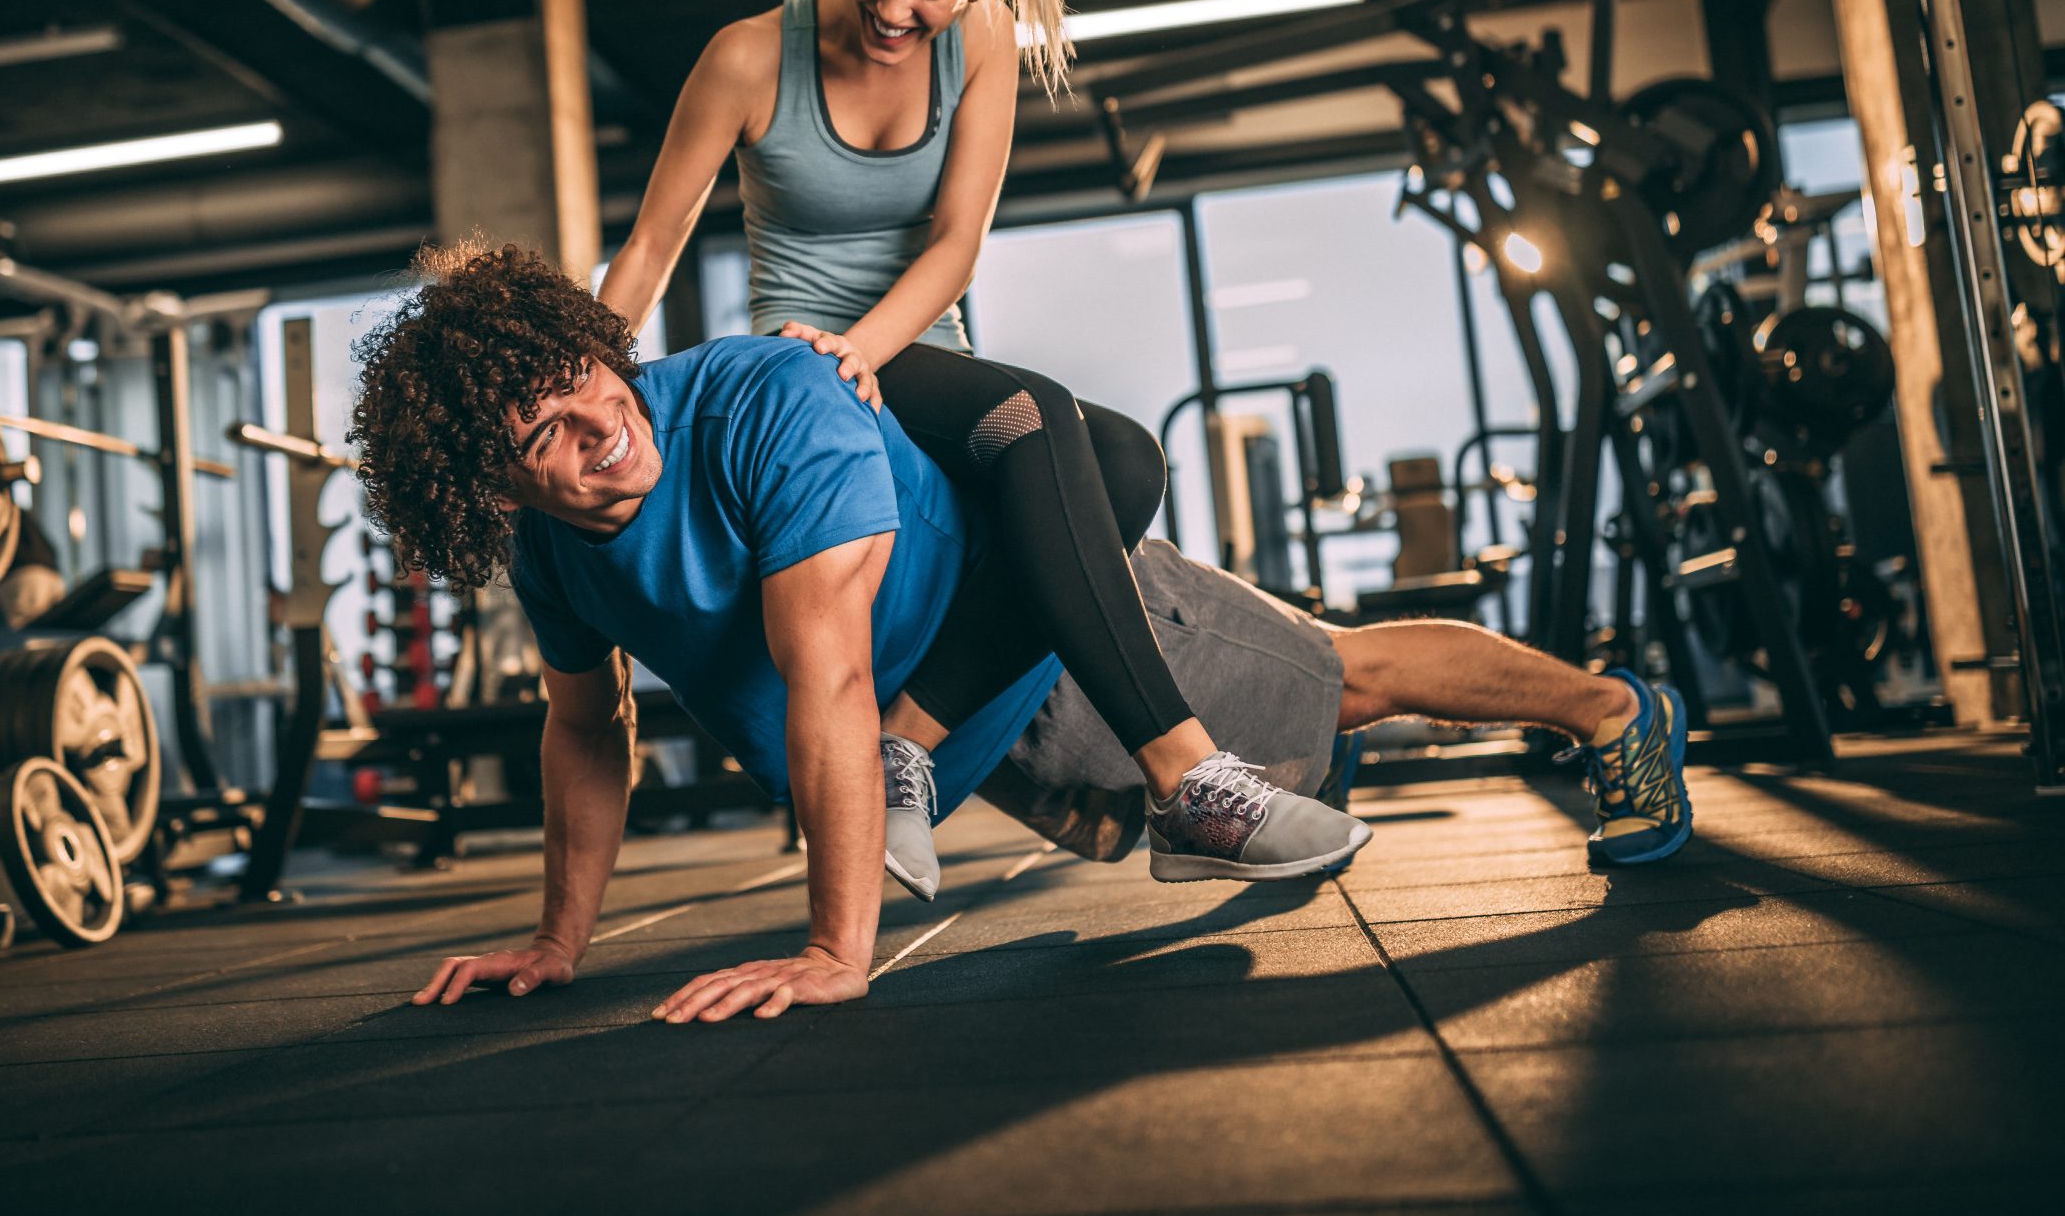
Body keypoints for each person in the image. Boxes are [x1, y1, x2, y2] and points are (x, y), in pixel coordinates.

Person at [356, 245, 1690, 1025]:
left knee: (1344, 679)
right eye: (543, 433)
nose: (598, 428)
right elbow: (587, 725)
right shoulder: (554, 554)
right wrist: (557, 939)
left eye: (586, 378)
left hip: (1049, 629)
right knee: (1297, 733)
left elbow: (831, 677)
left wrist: (835, 949)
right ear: (499, 483)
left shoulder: (760, 399)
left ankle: (1614, 710)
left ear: (600, 343)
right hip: (984, 742)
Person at [595, 0, 1234, 900]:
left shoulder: (981, 38)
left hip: (907, 353)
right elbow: (649, 249)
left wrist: (869, 350)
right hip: (791, 368)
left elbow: (955, 246)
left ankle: (904, 745)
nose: (897, 11)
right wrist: (575, 389)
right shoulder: (750, 54)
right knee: (1040, 413)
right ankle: (1183, 774)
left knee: (1127, 457)